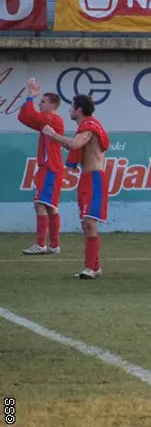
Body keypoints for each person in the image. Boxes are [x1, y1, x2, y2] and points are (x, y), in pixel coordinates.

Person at [42, 94, 110, 279]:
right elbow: (75, 146)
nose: (70, 111)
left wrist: (51, 133)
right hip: (87, 178)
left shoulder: (88, 127)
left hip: (94, 178)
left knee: (89, 222)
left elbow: (75, 144)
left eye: (72, 107)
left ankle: (90, 268)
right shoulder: (86, 126)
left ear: (79, 110)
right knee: (86, 223)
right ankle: (94, 267)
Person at [17, 79, 65, 256]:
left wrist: (30, 95)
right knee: (50, 206)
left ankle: (41, 244)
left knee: (40, 204)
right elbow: (23, 117)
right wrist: (28, 100)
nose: (39, 103)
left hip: (50, 167)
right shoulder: (47, 121)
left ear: (53, 105)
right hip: (50, 168)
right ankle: (54, 246)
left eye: (43, 101)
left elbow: (31, 115)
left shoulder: (53, 119)